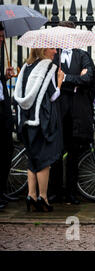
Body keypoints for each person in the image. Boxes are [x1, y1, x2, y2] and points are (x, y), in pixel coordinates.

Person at [49, 21, 95, 205]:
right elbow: (51, 80)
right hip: (58, 112)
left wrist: (66, 79)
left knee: (73, 155)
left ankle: (71, 193)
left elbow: (89, 77)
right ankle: (54, 192)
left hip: (77, 113)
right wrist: (76, 81)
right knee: (55, 154)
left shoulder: (83, 55)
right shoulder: (53, 56)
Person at [14, 47, 64, 212]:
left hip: (26, 120)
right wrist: (59, 82)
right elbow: (52, 95)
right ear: (43, 50)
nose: (55, 52)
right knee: (44, 160)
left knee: (32, 158)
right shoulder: (48, 66)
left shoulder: (26, 67)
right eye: (52, 48)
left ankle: (31, 195)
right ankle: (43, 197)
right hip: (41, 120)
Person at [0, 23, 17, 210]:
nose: (2, 39)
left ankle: (3, 191)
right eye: (0, 36)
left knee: (7, 151)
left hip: (4, 112)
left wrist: (4, 77)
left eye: (3, 36)